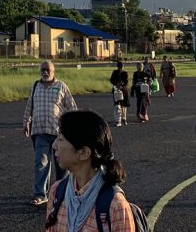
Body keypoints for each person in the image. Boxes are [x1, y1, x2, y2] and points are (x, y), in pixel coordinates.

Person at [44, 110, 135, 232]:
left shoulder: (115, 205)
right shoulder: (57, 192)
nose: (54, 145)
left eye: (60, 139)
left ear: (84, 153)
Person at [24, 60, 78, 206]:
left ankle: (62, 194)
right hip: (40, 131)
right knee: (41, 163)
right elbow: (30, 105)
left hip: (58, 133)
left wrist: (73, 127)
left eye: (48, 70)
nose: (45, 72)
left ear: (54, 71)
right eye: (43, 70)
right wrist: (26, 122)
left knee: (62, 165)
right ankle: (40, 194)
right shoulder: (36, 86)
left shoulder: (61, 86)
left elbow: (72, 106)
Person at [108, 61, 130, 126]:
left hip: (124, 91)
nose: (120, 68)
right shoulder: (114, 72)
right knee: (117, 106)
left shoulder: (125, 73)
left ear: (123, 67)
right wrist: (116, 84)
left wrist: (121, 85)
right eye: (119, 67)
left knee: (123, 106)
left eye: (121, 67)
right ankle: (118, 121)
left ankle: (124, 119)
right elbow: (111, 80)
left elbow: (126, 81)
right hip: (116, 90)